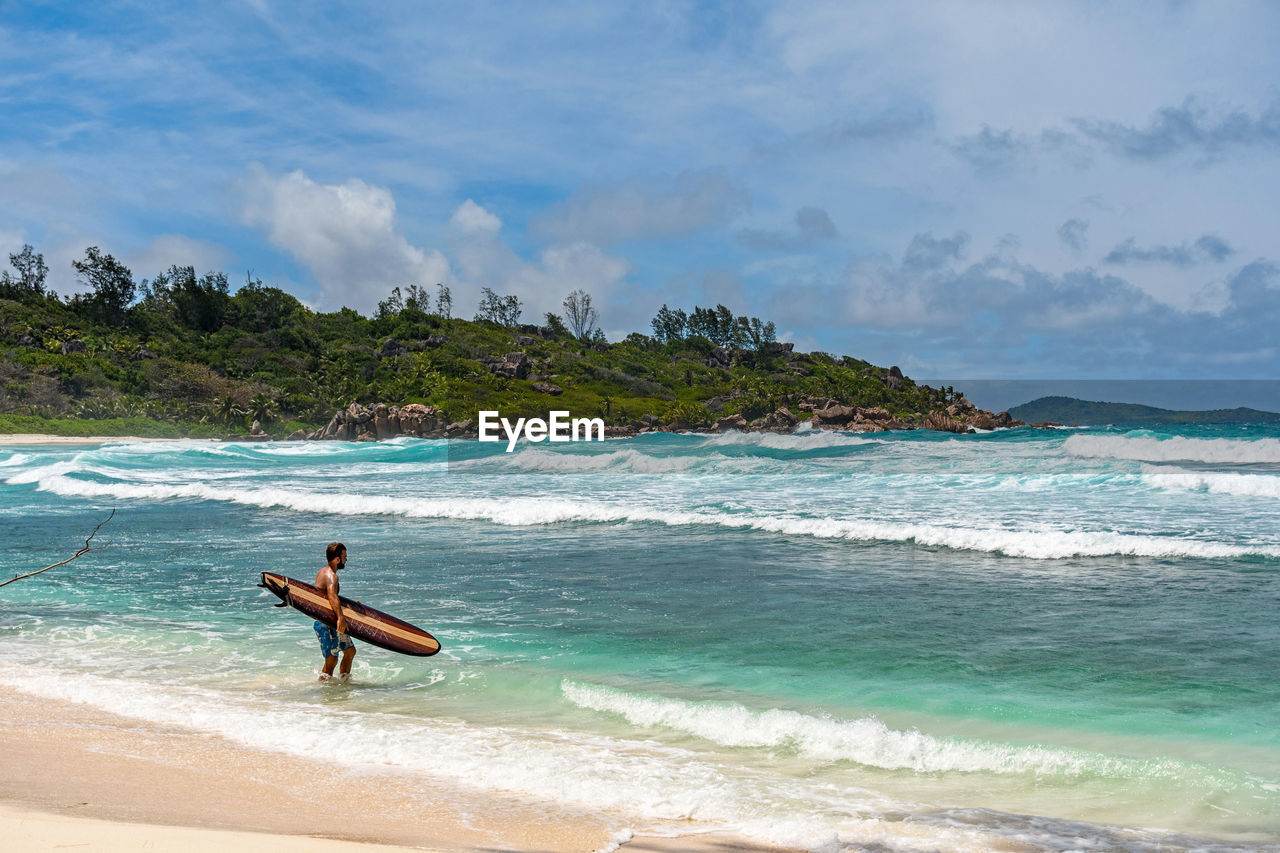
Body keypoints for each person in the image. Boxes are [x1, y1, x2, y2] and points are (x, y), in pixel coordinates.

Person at [314, 542, 356, 681]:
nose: (346, 559)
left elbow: (330, 598)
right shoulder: (332, 576)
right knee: (331, 661)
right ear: (337, 559)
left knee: (350, 652)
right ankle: (324, 691)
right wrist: (341, 618)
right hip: (327, 623)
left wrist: (350, 606)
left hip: (333, 621)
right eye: (344, 556)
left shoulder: (323, 571)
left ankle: (344, 684)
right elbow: (332, 596)